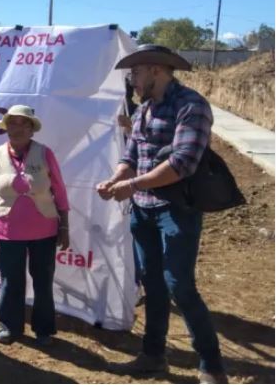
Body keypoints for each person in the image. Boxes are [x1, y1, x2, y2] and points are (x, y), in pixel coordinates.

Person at [96, 44, 227, 384]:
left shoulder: (192, 106)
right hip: (144, 211)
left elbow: (182, 162)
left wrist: (133, 185)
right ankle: (153, 357)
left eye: (135, 73)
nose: (132, 80)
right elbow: (131, 153)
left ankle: (211, 365)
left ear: (156, 69)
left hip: (177, 210)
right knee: (152, 286)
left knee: (179, 286)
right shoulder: (143, 111)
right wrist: (115, 180)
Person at [0, 105, 70, 346]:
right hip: (8, 231)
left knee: (42, 280)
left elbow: (59, 190)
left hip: (45, 230)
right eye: (13, 123)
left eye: (24, 123)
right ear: (5, 127)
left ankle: (43, 329)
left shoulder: (45, 153)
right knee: (11, 280)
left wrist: (65, 227)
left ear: (32, 129)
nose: (17, 128)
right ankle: (9, 326)